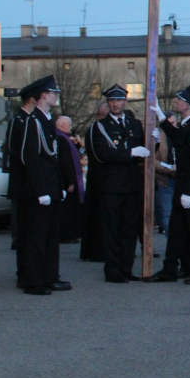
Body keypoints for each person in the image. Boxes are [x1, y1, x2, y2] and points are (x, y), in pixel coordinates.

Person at [146, 85, 190, 285]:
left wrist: (188, 193)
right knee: (177, 234)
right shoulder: (188, 126)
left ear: (186, 105)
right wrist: (160, 116)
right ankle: (170, 269)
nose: (175, 102)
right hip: (183, 191)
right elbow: (177, 137)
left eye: (179, 99)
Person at [87, 85, 149, 283]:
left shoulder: (135, 124)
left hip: (132, 186)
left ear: (125, 102)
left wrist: (154, 141)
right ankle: (113, 271)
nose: (115, 104)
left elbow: (145, 149)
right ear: (107, 103)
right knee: (112, 230)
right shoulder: (100, 127)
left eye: (119, 100)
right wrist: (130, 153)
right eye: (112, 101)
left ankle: (126, 268)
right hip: (112, 187)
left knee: (129, 230)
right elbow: (102, 154)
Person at [19, 77, 69, 295]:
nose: (56, 95)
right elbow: (31, 159)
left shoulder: (47, 119)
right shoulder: (33, 121)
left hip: (52, 187)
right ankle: (34, 282)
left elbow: (53, 158)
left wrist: (60, 187)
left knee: (50, 238)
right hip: (42, 190)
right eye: (53, 92)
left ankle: (49, 277)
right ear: (42, 96)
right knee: (37, 238)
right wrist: (41, 191)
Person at [78, 101, 109, 263]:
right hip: (99, 178)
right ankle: (97, 250)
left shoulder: (95, 129)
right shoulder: (96, 130)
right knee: (98, 217)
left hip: (98, 178)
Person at [54, 116, 85, 243]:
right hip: (68, 181)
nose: (71, 128)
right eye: (70, 125)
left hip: (68, 179)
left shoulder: (63, 138)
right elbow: (65, 162)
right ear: (63, 125)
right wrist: (70, 181)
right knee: (68, 210)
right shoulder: (61, 139)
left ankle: (71, 233)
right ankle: (67, 235)